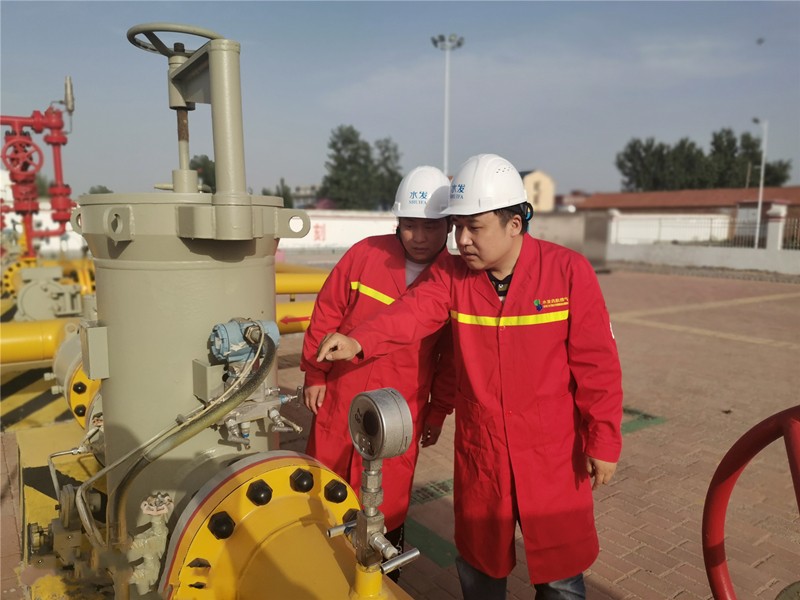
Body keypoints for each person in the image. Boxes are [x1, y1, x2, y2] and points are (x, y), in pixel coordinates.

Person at [315, 153, 623, 600]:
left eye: (474, 228)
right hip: (485, 452)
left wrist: (604, 440)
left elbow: (598, 365)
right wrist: (359, 339)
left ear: (514, 224)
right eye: (458, 227)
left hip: (552, 453)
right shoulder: (453, 275)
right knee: (480, 566)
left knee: (561, 575)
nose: (461, 240)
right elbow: (412, 312)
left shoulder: (568, 272)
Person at [300, 165, 455, 572]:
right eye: (409, 225)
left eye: (430, 226)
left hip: (400, 411)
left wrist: (437, 412)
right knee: (323, 491)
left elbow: (450, 361)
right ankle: (315, 572)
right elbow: (326, 313)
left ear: (449, 226)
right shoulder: (366, 254)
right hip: (342, 396)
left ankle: (383, 578)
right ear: (397, 221)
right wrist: (315, 373)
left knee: (385, 505)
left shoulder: (453, 278)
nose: (419, 237)